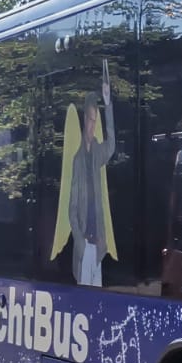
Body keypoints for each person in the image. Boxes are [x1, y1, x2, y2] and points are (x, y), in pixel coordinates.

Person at [68, 62, 117, 286]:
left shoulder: (98, 153)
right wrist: (78, 239)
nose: (92, 126)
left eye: (95, 121)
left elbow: (112, 146)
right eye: (89, 120)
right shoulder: (78, 160)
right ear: (83, 121)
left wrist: (108, 106)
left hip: (97, 245)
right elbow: (72, 207)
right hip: (84, 246)